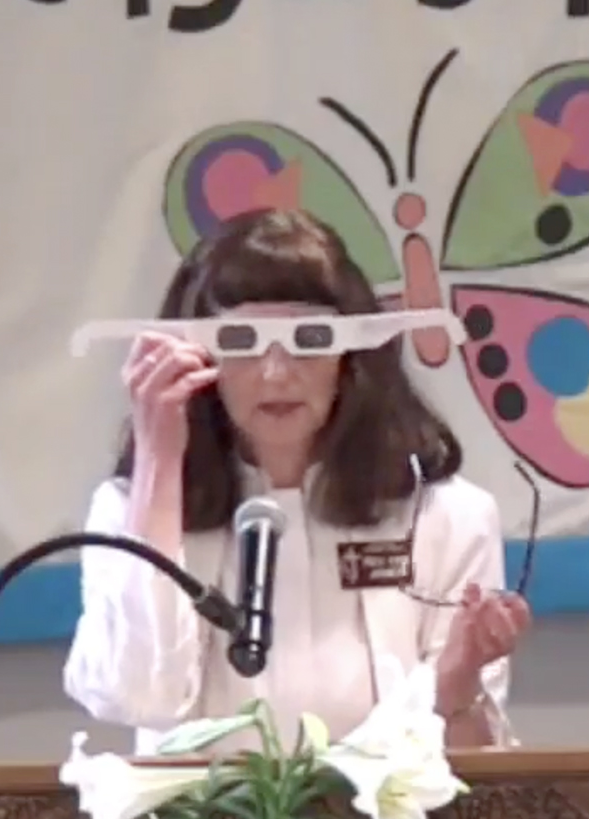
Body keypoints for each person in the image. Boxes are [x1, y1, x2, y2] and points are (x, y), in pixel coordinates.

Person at [62, 209, 532, 756]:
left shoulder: (447, 515)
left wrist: (453, 687)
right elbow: (135, 697)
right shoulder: (129, 510)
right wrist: (159, 463)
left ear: (351, 355)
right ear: (197, 353)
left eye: (309, 339)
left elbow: (469, 760)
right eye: (242, 340)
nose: (276, 373)